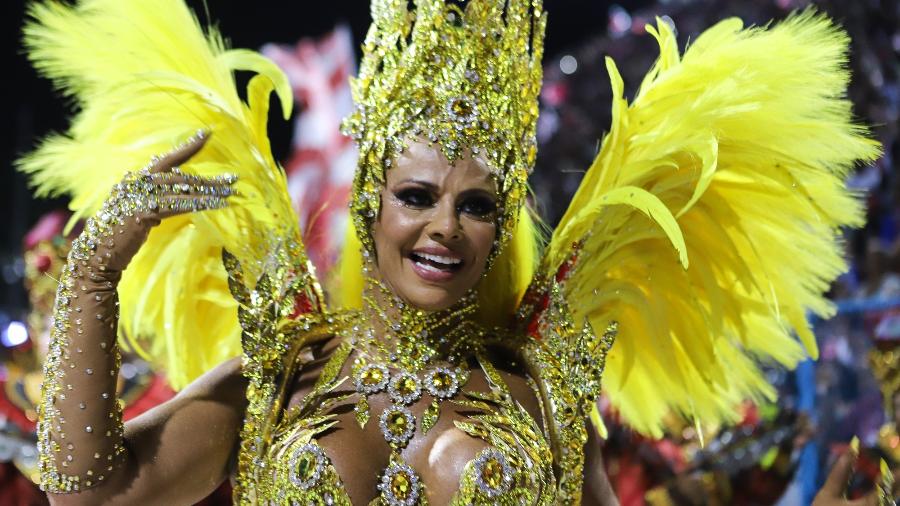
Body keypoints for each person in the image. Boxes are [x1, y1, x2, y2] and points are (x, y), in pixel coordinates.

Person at [19, 0, 881, 504]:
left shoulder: (542, 390)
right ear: (369, 208)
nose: (444, 228)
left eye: (476, 205)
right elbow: (87, 491)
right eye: (417, 197)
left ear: (502, 227)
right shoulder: (279, 377)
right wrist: (93, 276)